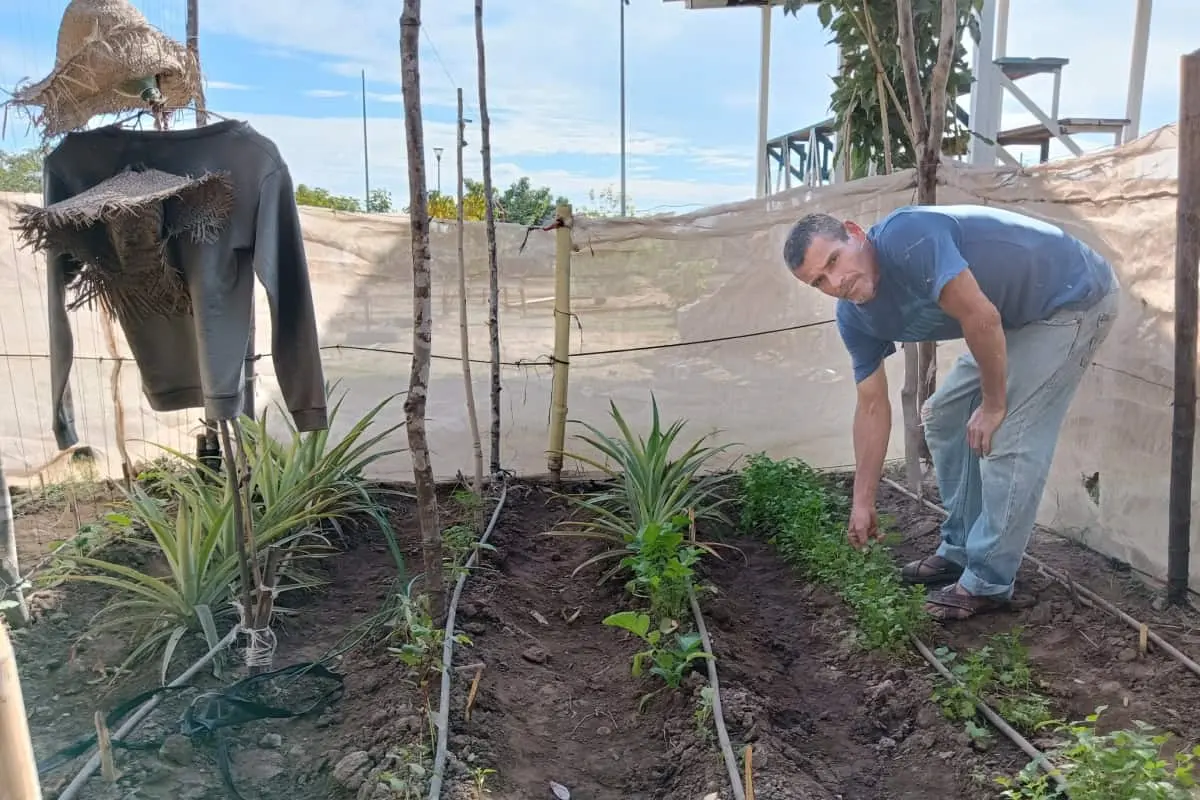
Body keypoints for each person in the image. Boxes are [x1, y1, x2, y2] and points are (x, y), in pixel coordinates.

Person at [781, 204, 1119, 621]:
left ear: (854, 232)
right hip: (1012, 320)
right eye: (819, 282)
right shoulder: (855, 318)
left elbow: (980, 316)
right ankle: (961, 547)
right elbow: (871, 405)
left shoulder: (908, 237)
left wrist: (995, 406)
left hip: (1071, 297)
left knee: (1008, 434)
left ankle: (990, 580)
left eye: (834, 260)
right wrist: (862, 501)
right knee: (944, 415)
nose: (836, 282)